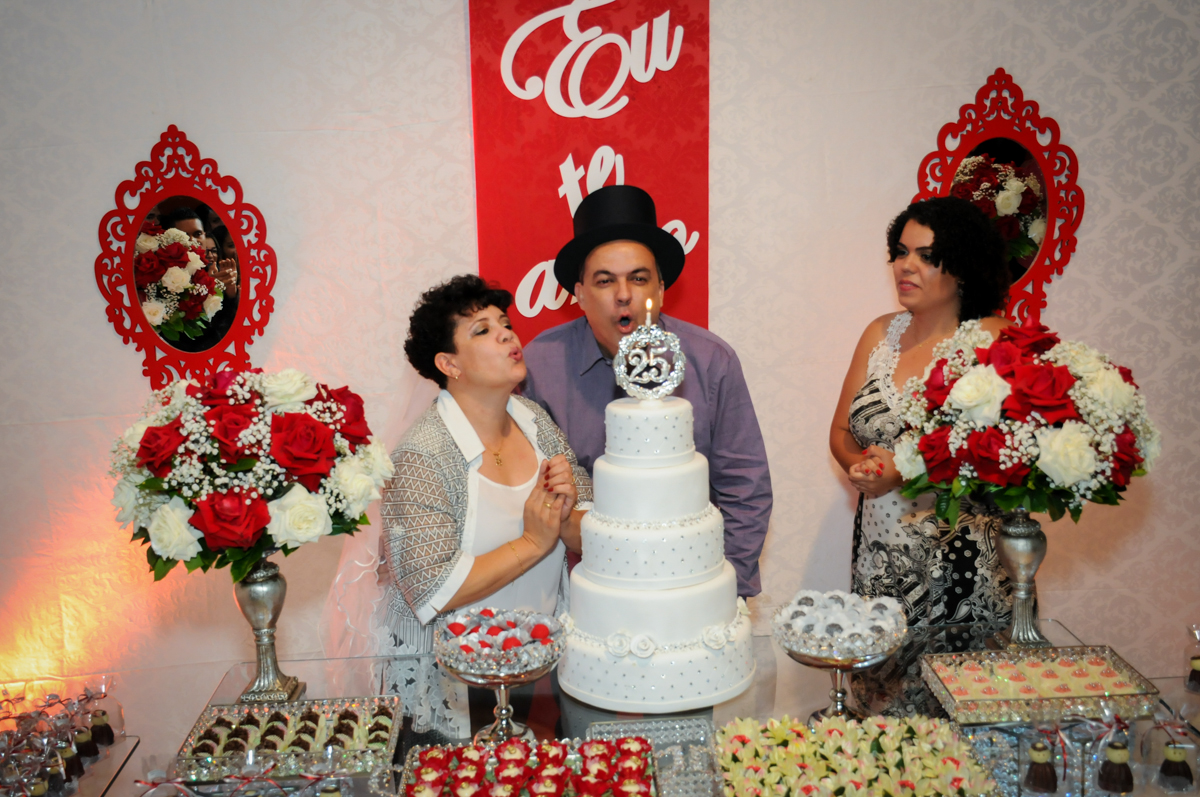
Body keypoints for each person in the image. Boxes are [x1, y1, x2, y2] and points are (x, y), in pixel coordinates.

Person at [521, 185, 772, 599]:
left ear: (660, 290)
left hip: (691, 582)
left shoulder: (710, 361)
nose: (624, 294)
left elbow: (745, 488)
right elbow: (525, 490)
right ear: (579, 294)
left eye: (639, 279)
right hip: (583, 589)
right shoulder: (539, 366)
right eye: (605, 281)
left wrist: (727, 591)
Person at [377, 274, 593, 734]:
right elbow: (432, 589)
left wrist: (567, 515)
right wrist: (533, 542)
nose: (507, 335)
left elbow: (586, 531)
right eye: (483, 330)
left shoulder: (534, 419)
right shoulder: (421, 455)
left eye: (505, 324)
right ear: (449, 364)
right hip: (453, 681)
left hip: (537, 662)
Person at [829, 196, 1014, 628]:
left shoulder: (996, 340)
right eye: (901, 252)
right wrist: (863, 466)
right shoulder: (879, 333)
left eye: (926, 256)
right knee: (881, 667)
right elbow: (840, 431)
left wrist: (910, 472)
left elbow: (1010, 455)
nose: (905, 266)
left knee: (960, 669)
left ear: (963, 266)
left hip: (964, 560)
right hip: (879, 552)